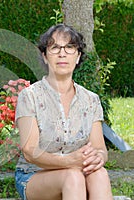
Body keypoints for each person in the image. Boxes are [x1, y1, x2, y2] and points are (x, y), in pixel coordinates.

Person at [14, 24, 113, 200]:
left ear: (78, 56)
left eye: (69, 47)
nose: (62, 53)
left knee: (100, 174)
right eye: (55, 47)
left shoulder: (91, 100)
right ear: (45, 56)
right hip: (35, 176)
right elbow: (30, 151)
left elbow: (100, 149)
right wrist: (69, 162)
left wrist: (98, 157)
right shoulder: (30, 96)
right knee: (72, 176)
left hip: (78, 169)